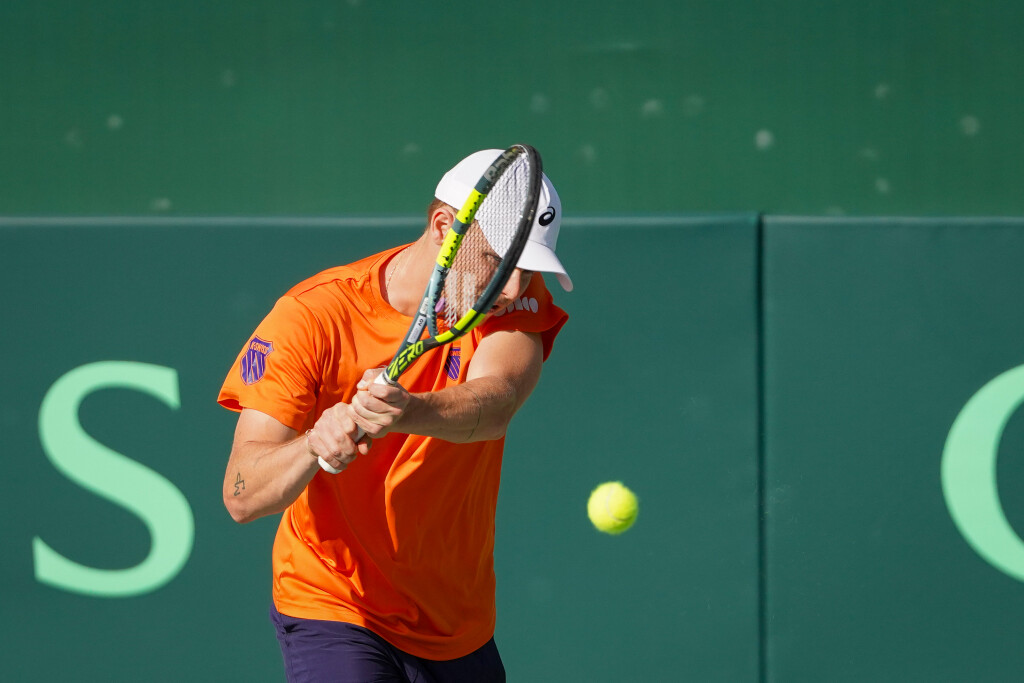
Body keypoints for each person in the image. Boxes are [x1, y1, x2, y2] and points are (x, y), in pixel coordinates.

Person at [218, 149, 571, 683]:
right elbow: (243, 495)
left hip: (455, 621)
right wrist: (315, 443)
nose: (514, 288)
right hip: (335, 604)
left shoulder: (509, 301)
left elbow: (495, 402)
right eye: (499, 262)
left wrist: (407, 410)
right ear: (443, 225)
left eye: (527, 271)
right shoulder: (312, 317)